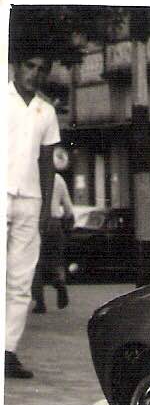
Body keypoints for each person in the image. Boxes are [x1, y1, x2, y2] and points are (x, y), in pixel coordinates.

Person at [7, 48, 59, 379]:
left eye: (42, 68)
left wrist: (46, 207)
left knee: (20, 280)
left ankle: (7, 351)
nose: (35, 73)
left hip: (30, 200)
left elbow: (47, 162)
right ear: (16, 66)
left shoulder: (46, 111)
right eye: (30, 66)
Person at [32, 146, 75, 314]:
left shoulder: (31, 180)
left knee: (36, 264)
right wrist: (68, 222)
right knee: (56, 260)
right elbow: (68, 208)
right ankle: (60, 282)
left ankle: (40, 303)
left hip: (36, 224)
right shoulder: (58, 179)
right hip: (55, 224)